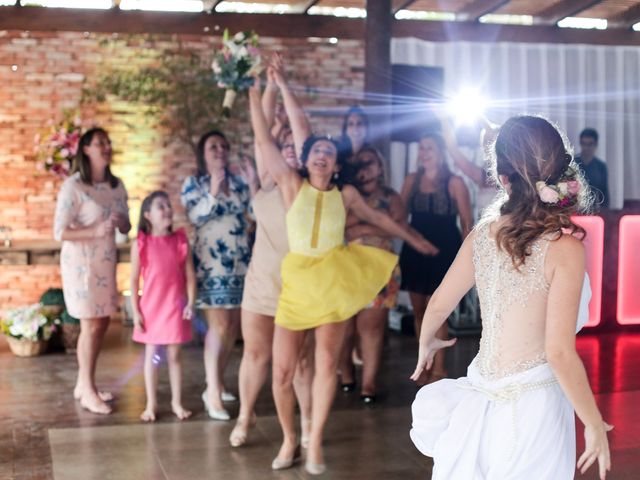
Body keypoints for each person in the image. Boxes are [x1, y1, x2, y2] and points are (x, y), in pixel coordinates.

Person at [250, 65, 438, 475]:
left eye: (328, 152)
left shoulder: (346, 193)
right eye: (315, 150)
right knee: (282, 373)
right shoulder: (290, 186)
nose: (320, 154)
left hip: (332, 284)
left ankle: (314, 441)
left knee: (325, 366)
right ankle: (289, 438)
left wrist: (414, 239)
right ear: (306, 158)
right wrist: (262, 87)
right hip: (297, 285)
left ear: (335, 165)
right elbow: (265, 139)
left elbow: (384, 221)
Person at [410, 115, 612, 479]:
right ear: (561, 171)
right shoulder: (565, 248)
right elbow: (559, 352)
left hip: (482, 400)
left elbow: (439, 303)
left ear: (503, 179)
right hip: (536, 409)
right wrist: (593, 422)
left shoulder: (482, 236)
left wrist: (426, 342)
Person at [230, 63, 313, 449]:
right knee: (255, 355)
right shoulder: (268, 179)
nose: (293, 150)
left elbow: (301, 130)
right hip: (261, 280)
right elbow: (261, 130)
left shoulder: (307, 184)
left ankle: (301, 430)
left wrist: (282, 83)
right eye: (287, 149)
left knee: (297, 364)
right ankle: (245, 417)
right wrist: (262, 86)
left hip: (297, 288)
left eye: (298, 149)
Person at [53, 127, 130, 415]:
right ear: (85, 149)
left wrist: (122, 222)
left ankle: (83, 383)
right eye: (100, 143)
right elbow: (59, 231)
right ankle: (87, 389)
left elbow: (127, 227)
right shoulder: (73, 186)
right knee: (90, 324)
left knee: (103, 323)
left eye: (108, 142)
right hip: (81, 267)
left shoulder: (117, 185)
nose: (106, 147)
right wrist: (94, 229)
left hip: (106, 263)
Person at [180, 130, 252, 421]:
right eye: (213, 147)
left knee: (232, 328)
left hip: (240, 264)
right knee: (219, 326)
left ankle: (218, 382)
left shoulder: (239, 182)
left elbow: (253, 213)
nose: (220, 150)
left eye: (223, 146)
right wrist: (212, 190)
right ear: (202, 153)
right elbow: (195, 216)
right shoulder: (193, 183)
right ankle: (211, 393)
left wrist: (255, 183)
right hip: (210, 266)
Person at [399, 131, 473, 382]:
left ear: (441, 152)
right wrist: (412, 239)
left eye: (429, 147)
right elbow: (398, 215)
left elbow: (466, 222)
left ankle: (440, 367)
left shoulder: (455, 182)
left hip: (444, 250)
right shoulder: (411, 179)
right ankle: (425, 362)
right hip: (416, 249)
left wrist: (467, 260)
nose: (424, 153)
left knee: (438, 309)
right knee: (419, 309)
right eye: (421, 148)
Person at [340, 146, 405, 403]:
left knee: (372, 328)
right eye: (358, 165)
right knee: (344, 328)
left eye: (368, 163)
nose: (363, 170)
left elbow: (399, 227)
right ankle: (346, 373)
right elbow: (339, 228)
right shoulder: (344, 195)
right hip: (346, 269)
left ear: (379, 167)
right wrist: (378, 223)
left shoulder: (392, 197)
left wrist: (361, 226)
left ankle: (369, 382)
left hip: (381, 269)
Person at [130, 191, 196, 422]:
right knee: (153, 355)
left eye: (168, 205)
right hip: (151, 308)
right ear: (148, 215)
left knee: (175, 355)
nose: (167, 209)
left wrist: (190, 301)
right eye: (161, 206)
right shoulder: (142, 242)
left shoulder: (179, 240)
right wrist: (136, 311)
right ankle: (151, 403)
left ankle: (177, 402)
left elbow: (190, 274)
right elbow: (133, 280)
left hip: (174, 307)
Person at [575, 128, 609, 210]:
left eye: (590, 144)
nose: (586, 147)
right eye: (583, 144)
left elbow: (604, 194)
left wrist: (606, 214)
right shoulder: (573, 163)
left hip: (593, 211)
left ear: (596, 144)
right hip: (573, 210)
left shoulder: (601, 166)